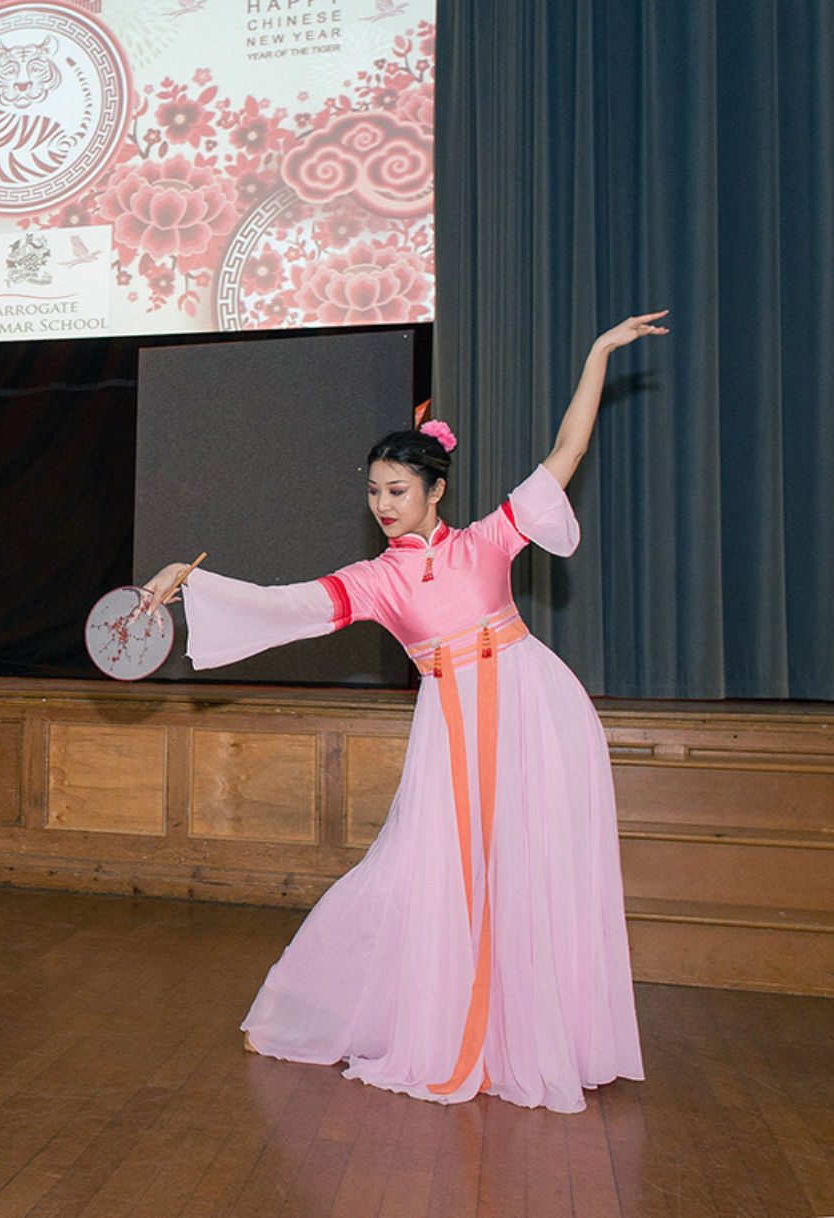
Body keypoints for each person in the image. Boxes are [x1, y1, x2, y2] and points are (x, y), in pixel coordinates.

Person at [142, 311, 668, 1113]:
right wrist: (192, 578)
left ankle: (533, 1037)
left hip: (533, 711)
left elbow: (568, 453)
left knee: (530, 874)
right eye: (374, 493)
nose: (383, 505)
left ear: (435, 490)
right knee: (409, 875)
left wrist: (597, 352)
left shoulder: (487, 541)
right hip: (454, 732)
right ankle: (312, 1012)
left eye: (397, 491)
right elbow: (284, 606)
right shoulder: (377, 581)